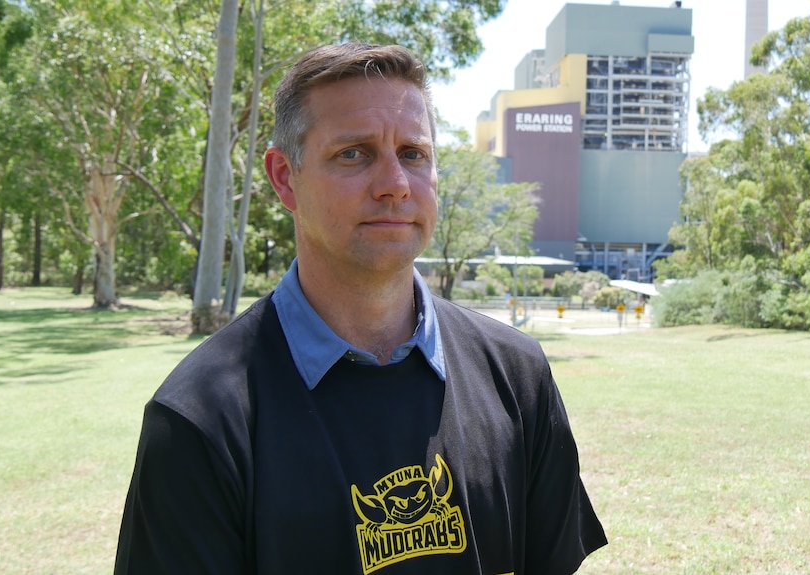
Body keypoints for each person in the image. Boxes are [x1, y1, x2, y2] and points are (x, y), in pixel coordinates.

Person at [114, 42, 606, 575]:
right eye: (354, 153)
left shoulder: (517, 374)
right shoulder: (200, 417)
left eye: (414, 154)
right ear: (284, 178)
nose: (395, 184)